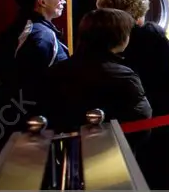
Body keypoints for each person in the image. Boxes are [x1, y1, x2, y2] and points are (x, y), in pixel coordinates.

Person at [0, 0, 72, 179]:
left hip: (15, 126)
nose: (63, 1)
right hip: (31, 129)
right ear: (41, 1)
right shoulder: (41, 36)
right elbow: (27, 86)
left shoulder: (18, 30)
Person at [97, 0, 169, 191]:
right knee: (162, 184)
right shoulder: (155, 40)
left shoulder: (102, 43)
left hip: (118, 125)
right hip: (158, 125)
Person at [44, 8, 151, 140]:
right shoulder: (124, 76)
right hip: (113, 151)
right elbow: (142, 122)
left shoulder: (59, 70)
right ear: (118, 36)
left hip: (69, 150)